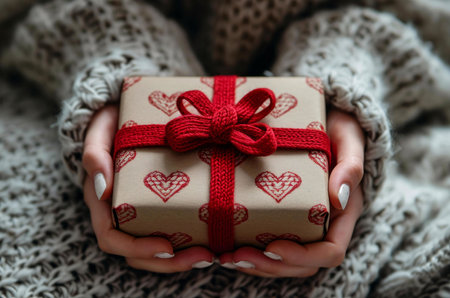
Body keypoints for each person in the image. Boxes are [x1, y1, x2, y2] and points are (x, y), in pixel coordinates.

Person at [1, 0, 449, 295]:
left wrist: (339, 87)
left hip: (379, 133)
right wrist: (118, 63)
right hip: (62, 104)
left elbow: (412, 20)